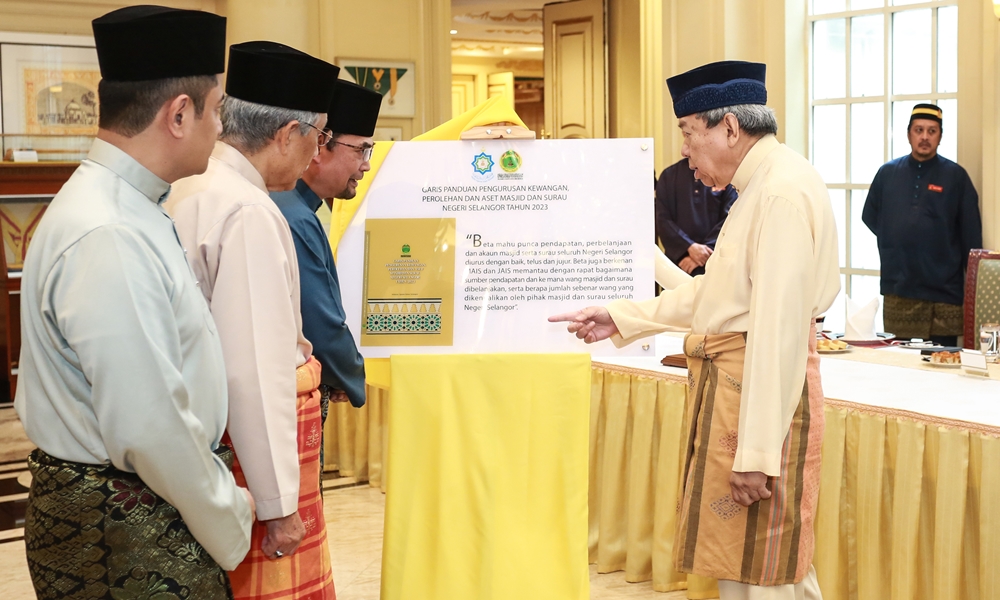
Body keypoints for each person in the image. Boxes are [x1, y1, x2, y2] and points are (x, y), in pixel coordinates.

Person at [550, 60, 838, 599]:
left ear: (729, 127)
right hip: (743, 391)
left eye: (688, 132)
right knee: (755, 567)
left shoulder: (777, 194)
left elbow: (775, 330)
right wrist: (623, 316)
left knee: (760, 569)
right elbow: (717, 294)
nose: (684, 150)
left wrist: (756, 454)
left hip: (758, 400)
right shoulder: (762, 186)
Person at [14, 6, 254, 599]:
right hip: (123, 529)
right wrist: (231, 513)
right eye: (217, 109)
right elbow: (150, 423)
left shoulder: (125, 206)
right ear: (179, 113)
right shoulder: (110, 230)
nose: (221, 128)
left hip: (131, 511)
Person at [164, 41, 339, 599]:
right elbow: (256, 373)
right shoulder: (248, 211)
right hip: (251, 454)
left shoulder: (194, 184)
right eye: (319, 139)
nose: (317, 158)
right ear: (288, 134)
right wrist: (278, 504)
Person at [271, 79, 381, 418]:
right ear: (320, 145)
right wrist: (350, 374)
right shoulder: (295, 216)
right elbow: (318, 321)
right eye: (361, 150)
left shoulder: (292, 205)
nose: (365, 164)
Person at [862, 104, 981, 346]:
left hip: (944, 292)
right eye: (919, 130)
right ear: (908, 134)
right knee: (899, 363)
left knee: (943, 365)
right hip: (899, 288)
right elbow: (870, 217)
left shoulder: (956, 177)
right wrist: (897, 241)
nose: (925, 137)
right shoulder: (887, 173)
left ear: (940, 136)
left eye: (932, 131)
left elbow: (971, 236)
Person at [656, 157, 738, 275]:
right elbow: (663, 220)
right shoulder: (669, 175)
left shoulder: (725, 175)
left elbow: (730, 218)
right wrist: (688, 247)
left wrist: (705, 252)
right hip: (679, 264)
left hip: (716, 262)